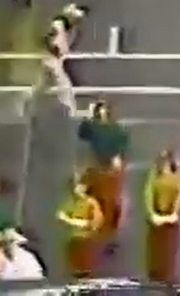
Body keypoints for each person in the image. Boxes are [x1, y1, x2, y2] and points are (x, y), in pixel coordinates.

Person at [77, 99, 130, 250]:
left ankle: (110, 235)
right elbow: (82, 133)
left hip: (110, 170)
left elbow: (122, 144)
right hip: (98, 167)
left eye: (104, 110)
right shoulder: (94, 128)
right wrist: (87, 116)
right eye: (99, 110)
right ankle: (98, 230)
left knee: (111, 202)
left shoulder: (116, 129)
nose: (102, 113)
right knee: (96, 199)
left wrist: (117, 157)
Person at [32, 3, 87, 115]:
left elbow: (64, 44)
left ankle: (28, 103)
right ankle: (71, 110)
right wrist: (52, 49)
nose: (78, 21)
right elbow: (46, 38)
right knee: (63, 84)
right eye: (76, 18)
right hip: (51, 58)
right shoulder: (59, 24)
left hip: (56, 60)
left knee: (44, 84)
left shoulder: (72, 30)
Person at [144, 149, 180, 284]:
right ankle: (154, 273)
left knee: (169, 247)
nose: (163, 166)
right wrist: (152, 213)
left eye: (166, 164)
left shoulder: (177, 176)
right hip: (157, 215)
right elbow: (148, 193)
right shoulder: (154, 175)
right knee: (155, 246)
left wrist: (175, 213)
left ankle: (168, 274)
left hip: (171, 216)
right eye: (162, 163)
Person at [56, 171, 104, 280]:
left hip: (86, 243)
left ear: (85, 187)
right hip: (73, 243)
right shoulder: (71, 202)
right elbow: (61, 215)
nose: (74, 189)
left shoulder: (91, 203)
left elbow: (92, 224)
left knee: (84, 271)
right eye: (73, 186)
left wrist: (69, 220)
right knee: (74, 271)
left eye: (77, 185)